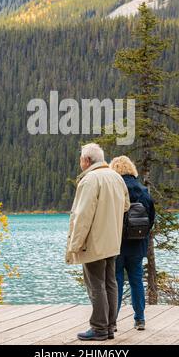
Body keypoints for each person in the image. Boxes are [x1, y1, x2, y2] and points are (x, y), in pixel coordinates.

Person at [66, 143, 130, 341]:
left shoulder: (90, 180)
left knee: (96, 285)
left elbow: (82, 215)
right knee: (110, 282)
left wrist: (75, 245)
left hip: (93, 241)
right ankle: (110, 326)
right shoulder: (116, 177)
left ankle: (99, 328)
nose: (80, 162)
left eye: (81, 159)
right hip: (112, 241)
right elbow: (126, 205)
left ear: (87, 160)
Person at [110, 156, 155, 331]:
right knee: (136, 280)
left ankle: (112, 321)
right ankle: (140, 319)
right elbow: (151, 218)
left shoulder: (115, 188)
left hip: (117, 243)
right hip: (138, 244)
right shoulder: (143, 190)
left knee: (116, 281)